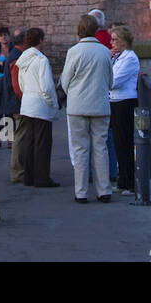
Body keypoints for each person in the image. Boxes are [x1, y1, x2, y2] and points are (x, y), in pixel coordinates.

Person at [59, 13, 114, 202]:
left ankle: (81, 192)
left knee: (80, 149)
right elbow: (111, 81)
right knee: (101, 148)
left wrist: (74, 92)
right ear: (96, 30)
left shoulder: (74, 52)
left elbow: (65, 81)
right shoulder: (105, 52)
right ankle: (104, 190)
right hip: (100, 105)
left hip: (77, 106)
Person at [16, 28, 60, 188]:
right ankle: (41, 178)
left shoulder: (23, 59)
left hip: (27, 103)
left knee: (30, 141)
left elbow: (21, 83)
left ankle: (29, 176)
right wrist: (52, 103)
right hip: (40, 105)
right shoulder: (41, 60)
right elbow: (47, 86)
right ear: (40, 40)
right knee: (42, 143)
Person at [109, 23, 140, 194]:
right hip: (115, 101)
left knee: (126, 143)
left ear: (123, 41)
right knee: (118, 143)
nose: (111, 43)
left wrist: (106, 79)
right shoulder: (119, 57)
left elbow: (114, 81)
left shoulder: (129, 58)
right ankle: (122, 180)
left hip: (125, 102)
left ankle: (129, 182)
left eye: (114, 40)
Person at [0, 26, 20, 149]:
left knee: (9, 110)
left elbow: (14, 64)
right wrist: (5, 65)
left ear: (9, 36)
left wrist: (3, 64)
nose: (4, 37)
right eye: (1, 35)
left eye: (6, 35)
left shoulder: (13, 49)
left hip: (10, 83)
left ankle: (9, 137)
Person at [9, 30, 28, 183]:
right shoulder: (17, 57)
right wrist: (24, 100)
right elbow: (16, 85)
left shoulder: (14, 54)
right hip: (18, 103)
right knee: (20, 137)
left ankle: (20, 170)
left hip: (15, 102)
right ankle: (18, 172)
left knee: (19, 136)